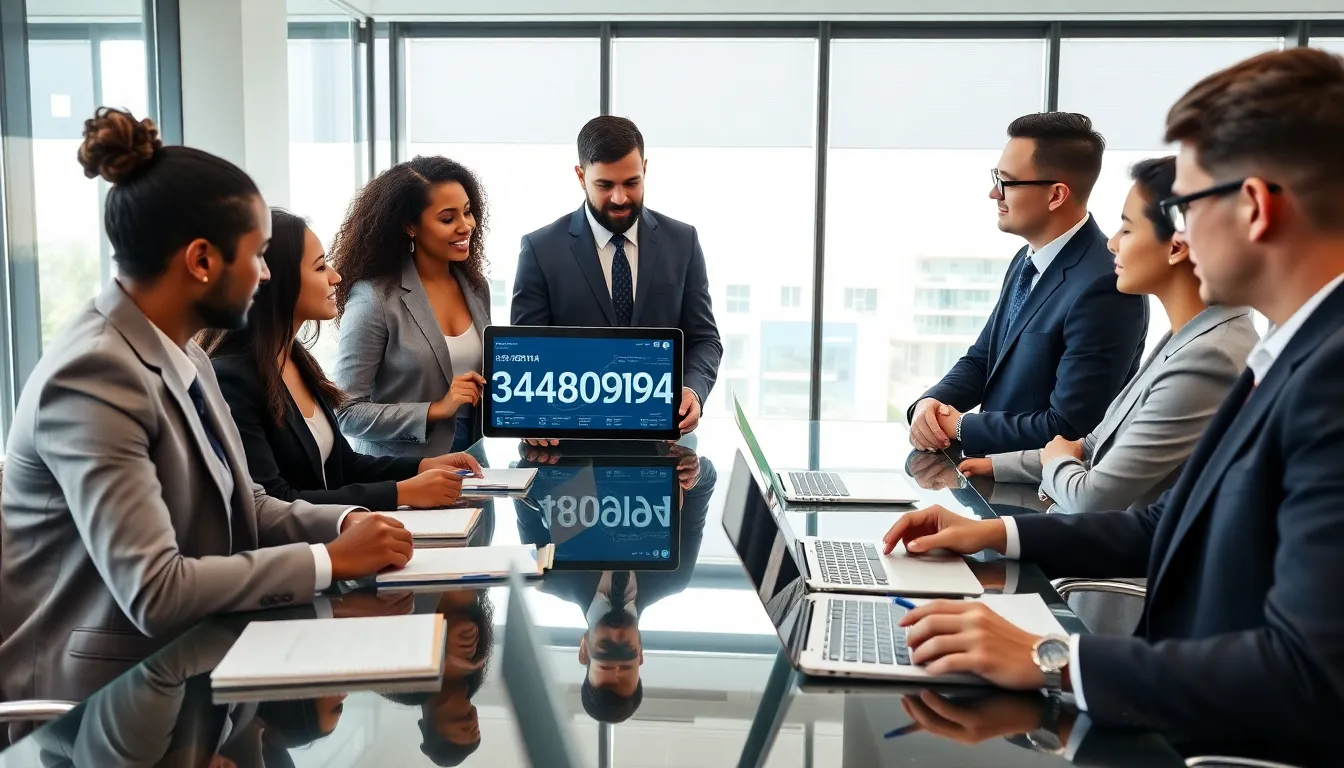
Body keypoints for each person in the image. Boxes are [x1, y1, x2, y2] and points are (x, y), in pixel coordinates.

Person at [882, 48, 1344, 748]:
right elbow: (1164, 525)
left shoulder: (1330, 379)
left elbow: (1307, 672)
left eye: (1184, 205)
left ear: (1253, 207)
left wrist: (1053, 658)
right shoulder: (1285, 353)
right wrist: (994, 533)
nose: (1177, 234)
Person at [0, 108, 413, 703]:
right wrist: (327, 561)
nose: (265, 275)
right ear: (200, 261)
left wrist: (343, 524)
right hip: (100, 701)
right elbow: (155, 591)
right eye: (258, 255)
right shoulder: (92, 375)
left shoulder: (185, 352)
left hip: (191, 664)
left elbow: (245, 504)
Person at [959, 157, 1258, 515]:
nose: (1113, 244)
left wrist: (1055, 463)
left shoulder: (1212, 354)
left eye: (1127, 230)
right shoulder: (1187, 337)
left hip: (1115, 564)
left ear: (1176, 247)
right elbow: (1093, 444)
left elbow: (1090, 498)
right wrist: (1001, 466)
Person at [203, 208, 483, 511]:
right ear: (276, 280)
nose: (336, 276)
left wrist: (422, 467)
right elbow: (272, 500)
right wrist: (400, 494)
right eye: (320, 267)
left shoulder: (297, 361)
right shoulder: (231, 378)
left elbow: (343, 466)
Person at [908, 113, 1148, 457]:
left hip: (1043, 499)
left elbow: (1068, 427)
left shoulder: (1107, 285)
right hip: (989, 479)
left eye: (1007, 182)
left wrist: (961, 426)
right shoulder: (1026, 258)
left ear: (1056, 195)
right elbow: (983, 359)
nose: (994, 193)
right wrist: (932, 404)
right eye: (996, 178)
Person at [511, 116, 722, 436]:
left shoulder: (683, 241)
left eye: (632, 182)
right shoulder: (541, 249)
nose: (620, 198)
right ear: (581, 176)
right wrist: (534, 415)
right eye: (605, 185)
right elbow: (527, 353)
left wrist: (692, 391)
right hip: (569, 444)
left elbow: (705, 339)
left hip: (663, 438)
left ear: (645, 169)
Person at [330, 156, 491, 457]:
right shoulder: (374, 298)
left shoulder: (476, 287)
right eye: (448, 218)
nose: (466, 226)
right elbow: (346, 412)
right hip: (401, 474)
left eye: (468, 212)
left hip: (474, 463)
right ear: (410, 226)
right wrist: (435, 410)